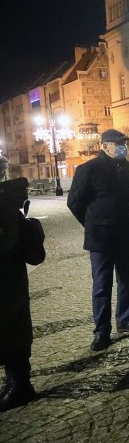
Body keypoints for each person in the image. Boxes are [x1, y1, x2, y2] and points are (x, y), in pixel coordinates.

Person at [67, 129, 129, 352]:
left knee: (128, 280)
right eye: (118, 143)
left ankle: (125, 321)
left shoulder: (128, 168)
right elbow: (75, 202)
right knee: (102, 285)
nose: (123, 147)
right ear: (104, 146)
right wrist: (92, 223)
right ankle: (102, 331)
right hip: (101, 237)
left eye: (125, 143)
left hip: (126, 234)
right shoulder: (88, 169)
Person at [0, 157, 37, 411]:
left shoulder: (4, 203)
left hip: (7, 277)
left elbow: (8, 243)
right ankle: (13, 381)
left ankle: (20, 385)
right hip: (7, 276)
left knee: (12, 327)